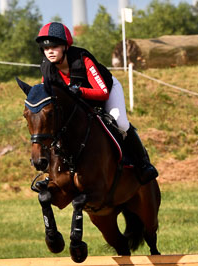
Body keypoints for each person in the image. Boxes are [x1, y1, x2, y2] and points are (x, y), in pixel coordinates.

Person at [35, 21, 158, 185]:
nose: (49, 51)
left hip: (106, 90)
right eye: (46, 48)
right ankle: (52, 175)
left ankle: (143, 164)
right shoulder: (47, 68)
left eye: (54, 47)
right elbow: (46, 95)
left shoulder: (82, 60)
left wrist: (79, 92)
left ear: (65, 46)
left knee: (120, 123)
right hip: (80, 103)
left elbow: (103, 93)